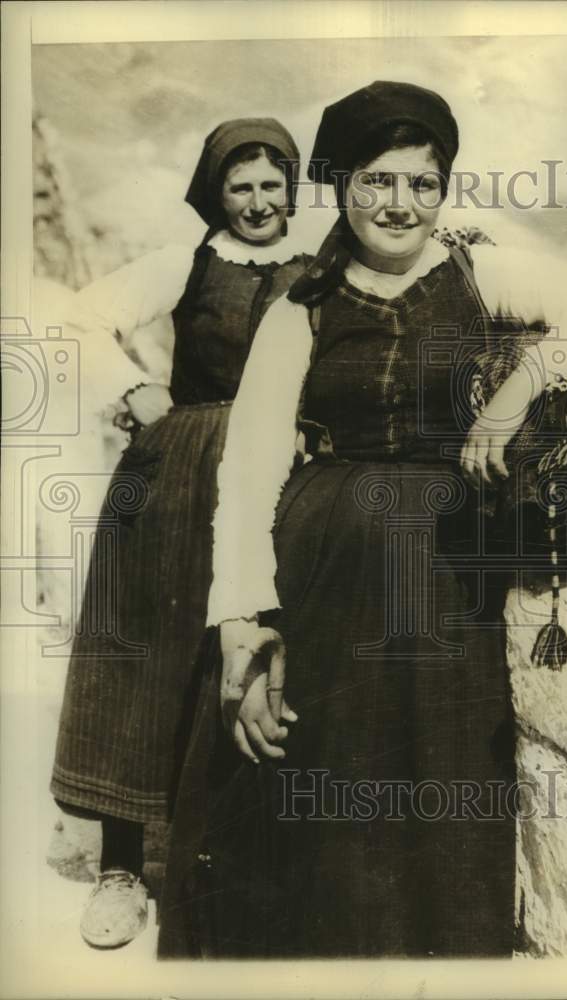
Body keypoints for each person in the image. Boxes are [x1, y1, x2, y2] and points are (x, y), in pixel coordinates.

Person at [157, 82, 567, 958]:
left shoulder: (476, 270)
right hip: (323, 570)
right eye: (378, 181)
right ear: (342, 184)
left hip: (445, 578)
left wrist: (514, 395)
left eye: (423, 184)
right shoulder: (302, 306)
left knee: (443, 787)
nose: (400, 204)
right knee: (308, 790)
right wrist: (243, 618)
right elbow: (250, 466)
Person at [50, 117, 311, 949]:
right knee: (145, 656)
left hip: (275, 480)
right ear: (215, 192)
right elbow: (77, 317)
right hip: (173, 477)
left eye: (273, 184)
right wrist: (134, 392)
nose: (259, 202)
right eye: (241, 186)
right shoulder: (187, 262)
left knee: (246, 653)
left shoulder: (318, 272)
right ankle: (122, 868)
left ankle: (217, 857)